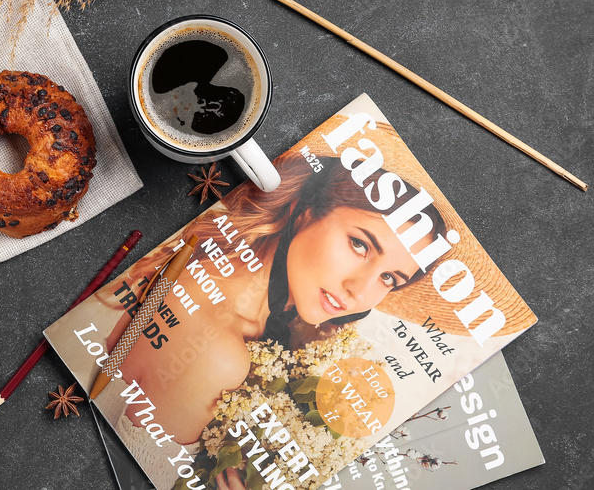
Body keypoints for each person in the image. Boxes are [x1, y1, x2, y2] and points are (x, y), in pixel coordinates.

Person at [102, 150, 449, 448]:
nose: (359, 290)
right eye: (360, 244)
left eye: (389, 278)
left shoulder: (238, 304)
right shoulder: (218, 354)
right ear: (307, 211)